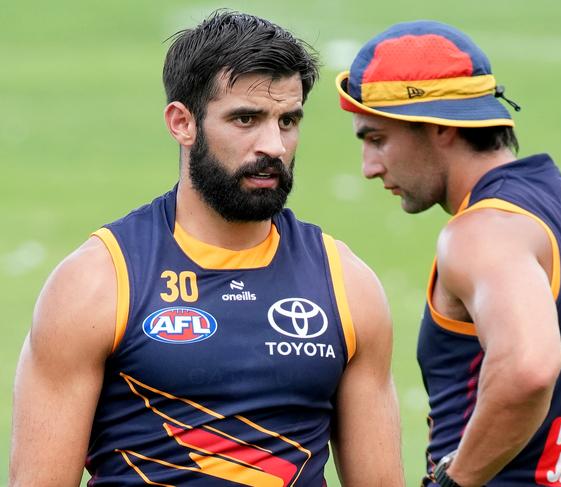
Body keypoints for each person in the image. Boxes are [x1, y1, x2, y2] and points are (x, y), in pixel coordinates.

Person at [10, 10, 404, 487]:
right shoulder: (98, 283)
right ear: (182, 123)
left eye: (288, 121)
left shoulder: (347, 284)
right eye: (246, 119)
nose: (274, 145)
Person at [336, 20, 561, 487]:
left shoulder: (482, 231)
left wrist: (456, 482)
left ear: (440, 127)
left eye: (377, 139)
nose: (370, 168)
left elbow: (529, 368)